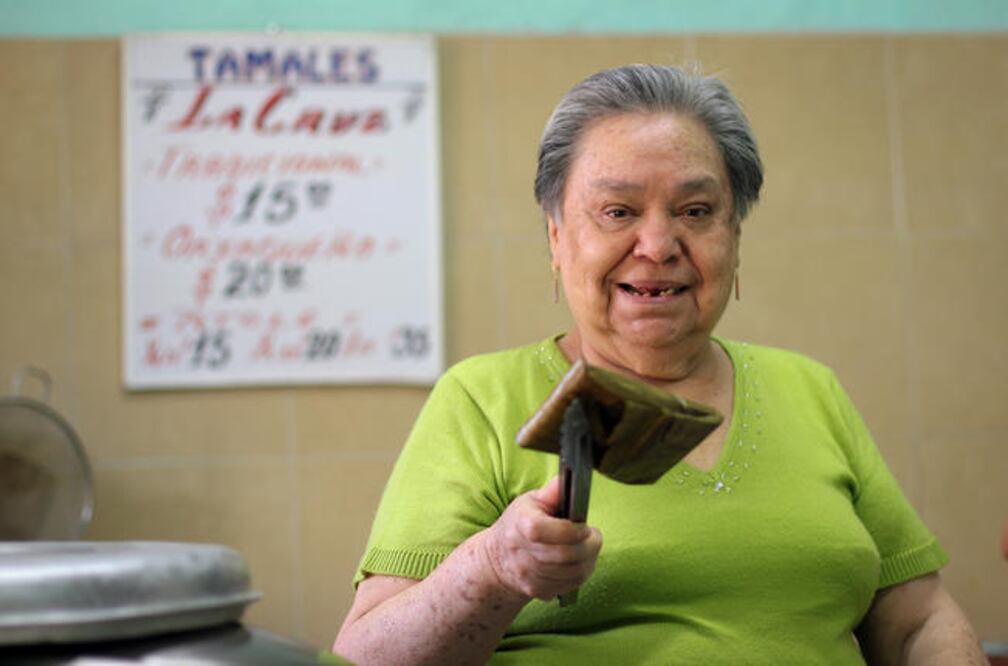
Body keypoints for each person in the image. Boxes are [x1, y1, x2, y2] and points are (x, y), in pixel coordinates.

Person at [333, 64, 984, 664]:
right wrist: (492, 569)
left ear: (734, 235)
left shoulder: (810, 388)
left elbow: (918, 619)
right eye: (617, 211)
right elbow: (364, 657)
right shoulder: (484, 398)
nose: (657, 245)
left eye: (696, 212)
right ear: (557, 238)